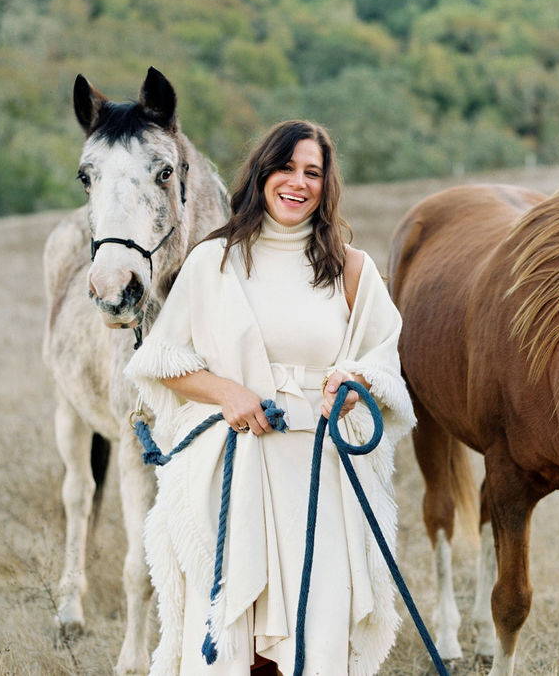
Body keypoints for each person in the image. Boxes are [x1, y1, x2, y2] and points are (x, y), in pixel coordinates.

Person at [125, 120, 416, 675]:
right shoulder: (215, 261)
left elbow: (383, 359)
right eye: (286, 167)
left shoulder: (353, 269)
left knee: (319, 622)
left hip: (321, 470)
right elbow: (162, 359)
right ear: (262, 173)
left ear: (326, 185)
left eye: (313, 172)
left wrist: (352, 383)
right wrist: (225, 391)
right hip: (235, 463)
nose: (297, 182)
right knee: (236, 635)